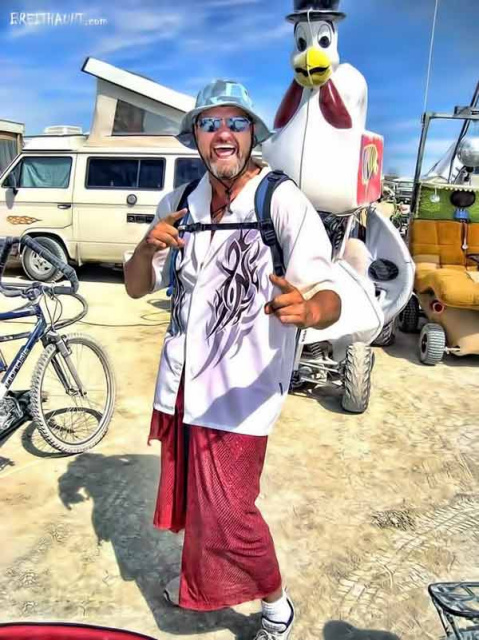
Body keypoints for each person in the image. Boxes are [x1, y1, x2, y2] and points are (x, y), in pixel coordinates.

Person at [124, 79, 342, 640]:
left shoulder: (279, 199)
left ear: (252, 135)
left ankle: (276, 605)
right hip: (181, 384)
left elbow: (329, 292)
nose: (223, 134)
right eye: (210, 123)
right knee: (198, 502)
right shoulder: (179, 203)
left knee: (229, 511)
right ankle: (199, 583)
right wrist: (147, 247)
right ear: (195, 136)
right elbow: (136, 286)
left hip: (241, 391)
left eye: (236, 123)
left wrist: (311, 310)